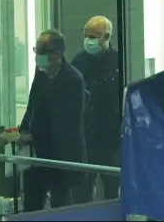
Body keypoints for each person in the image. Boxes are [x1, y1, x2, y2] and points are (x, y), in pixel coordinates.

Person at [18, 29, 87, 212]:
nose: (38, 56)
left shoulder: (73, 79)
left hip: (61, 155)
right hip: (37, 153)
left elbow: (66, 123)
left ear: (58, 54)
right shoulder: (41, 73)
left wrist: (34, 136)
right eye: (36, 50)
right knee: (32, 205)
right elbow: (33, 105)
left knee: (60, 206)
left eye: (43, 51)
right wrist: (24, 130)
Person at [70, 16, 121, 201]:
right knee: (82, 194)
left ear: (106, 37)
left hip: (113, 141)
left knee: (114, 193)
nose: (88, 40)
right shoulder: (78, 63)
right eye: (86, 35)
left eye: (93, 36)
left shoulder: (121, 62)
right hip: (86, 141)